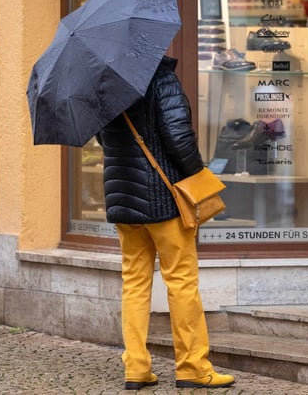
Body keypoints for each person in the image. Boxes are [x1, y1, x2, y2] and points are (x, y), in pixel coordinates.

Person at [96, 56, 235, 391]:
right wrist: (196, 173)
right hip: (163, 199)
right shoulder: (160, 78)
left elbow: (103, 138)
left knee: (134, 283)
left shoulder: (103, 83)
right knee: (181, 282)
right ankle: (193, 368)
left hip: (123, 199)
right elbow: (178, 137)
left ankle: (136, 368)